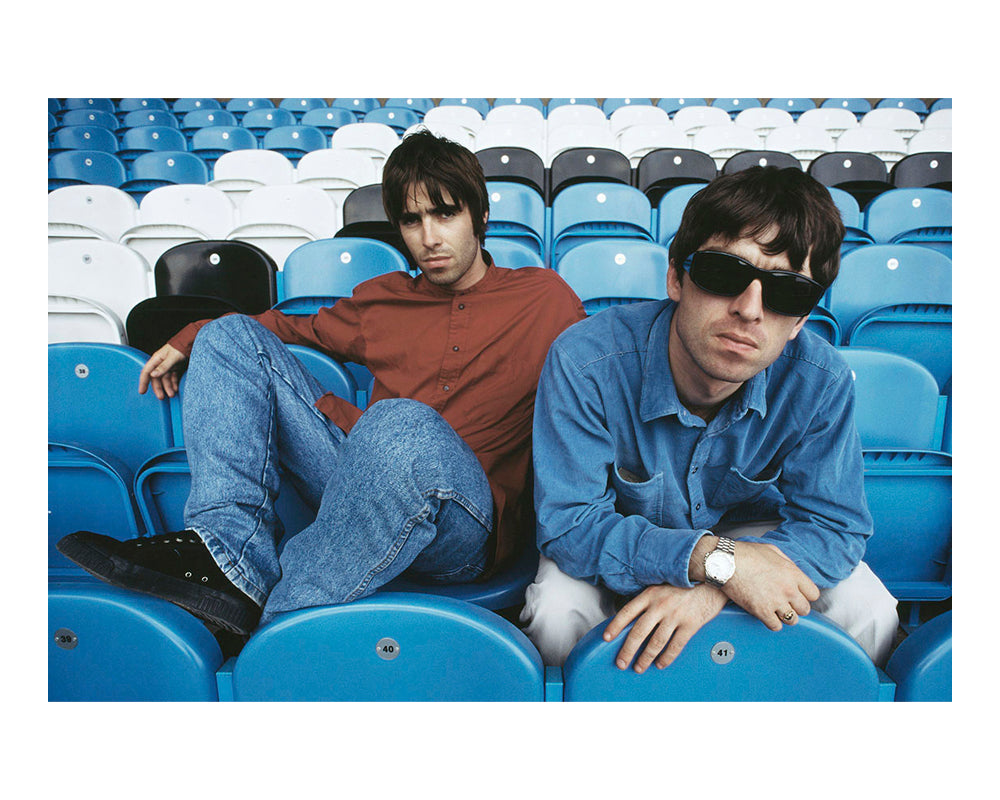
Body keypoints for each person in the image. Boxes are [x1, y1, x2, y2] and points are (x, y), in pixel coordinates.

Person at [58, 130, 586, 636]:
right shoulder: (383, 298)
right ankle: (230, 559)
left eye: (445, 214)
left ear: (480, 215)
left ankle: (270, 624)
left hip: (462, 527)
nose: (430, 237)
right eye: (412, 220)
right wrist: (192, 335)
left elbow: (602, 391)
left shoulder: (545, 298)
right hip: (359, 477)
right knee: (229, 334)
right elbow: (285, 329)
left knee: (402, 422)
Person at [520, 166, 900, 672]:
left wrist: (717, 584)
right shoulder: (585, 361)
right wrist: (710, 561)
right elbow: (569, 525)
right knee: (556, 609)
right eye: (725, 274)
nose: (749, 309)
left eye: (787, 293)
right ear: (677, 276)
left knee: (870, 609)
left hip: (755, 537)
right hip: (627, 532)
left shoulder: (820, 379)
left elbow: (835, 524)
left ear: (801, 320)